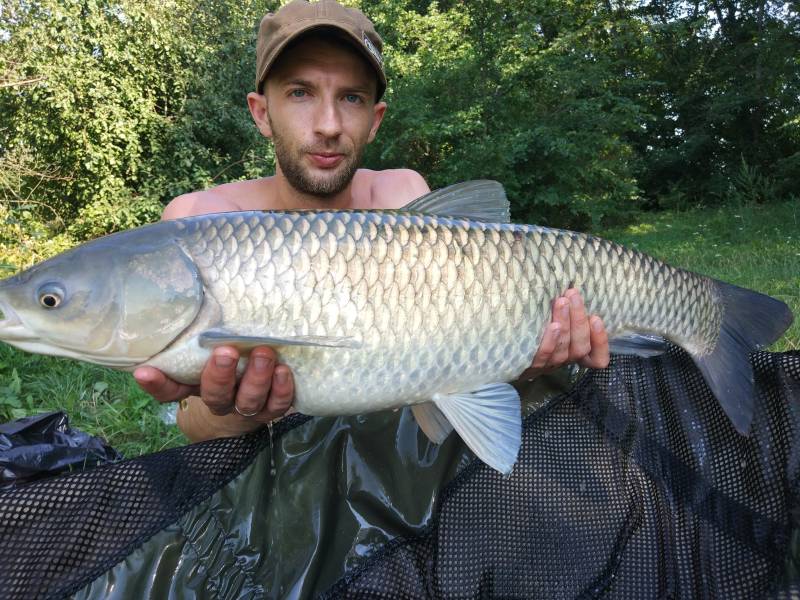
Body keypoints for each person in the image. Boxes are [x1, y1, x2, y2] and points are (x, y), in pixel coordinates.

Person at [133, 0, 610, 443]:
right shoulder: (197, 223)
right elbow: (193, 426)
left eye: (352, 98)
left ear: (375, 119)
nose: (328, 124)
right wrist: (242, 408)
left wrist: (520, 358)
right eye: (300, 93)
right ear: (262, 112)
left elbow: (449, 373)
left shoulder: (403, 196)